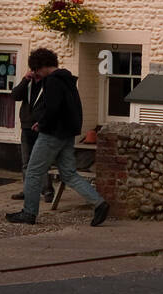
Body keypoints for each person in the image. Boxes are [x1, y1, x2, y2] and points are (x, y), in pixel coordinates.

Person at [6, 48, 109, 227]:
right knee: (69, 173)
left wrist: (43, 124)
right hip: (67, 133)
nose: (37, 74)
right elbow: (69, 109)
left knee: (33, 171)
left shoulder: (52, 81)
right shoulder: (67, 80)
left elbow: (52, 108)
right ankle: (99, 203)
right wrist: (46, 122)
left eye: (36, 70)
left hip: (52, 134)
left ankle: (29, 212)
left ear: (41, 67)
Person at [10, 49, 54, 204]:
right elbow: (15, 96)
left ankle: (47, 190)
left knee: (42, 161)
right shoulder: (27, 83)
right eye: (33, 70)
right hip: (27, 126)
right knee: (26, 162)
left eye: (37, 70)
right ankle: (28, 189)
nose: (36, 73)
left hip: (41, 127)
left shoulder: (48, 83)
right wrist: (24, 80)